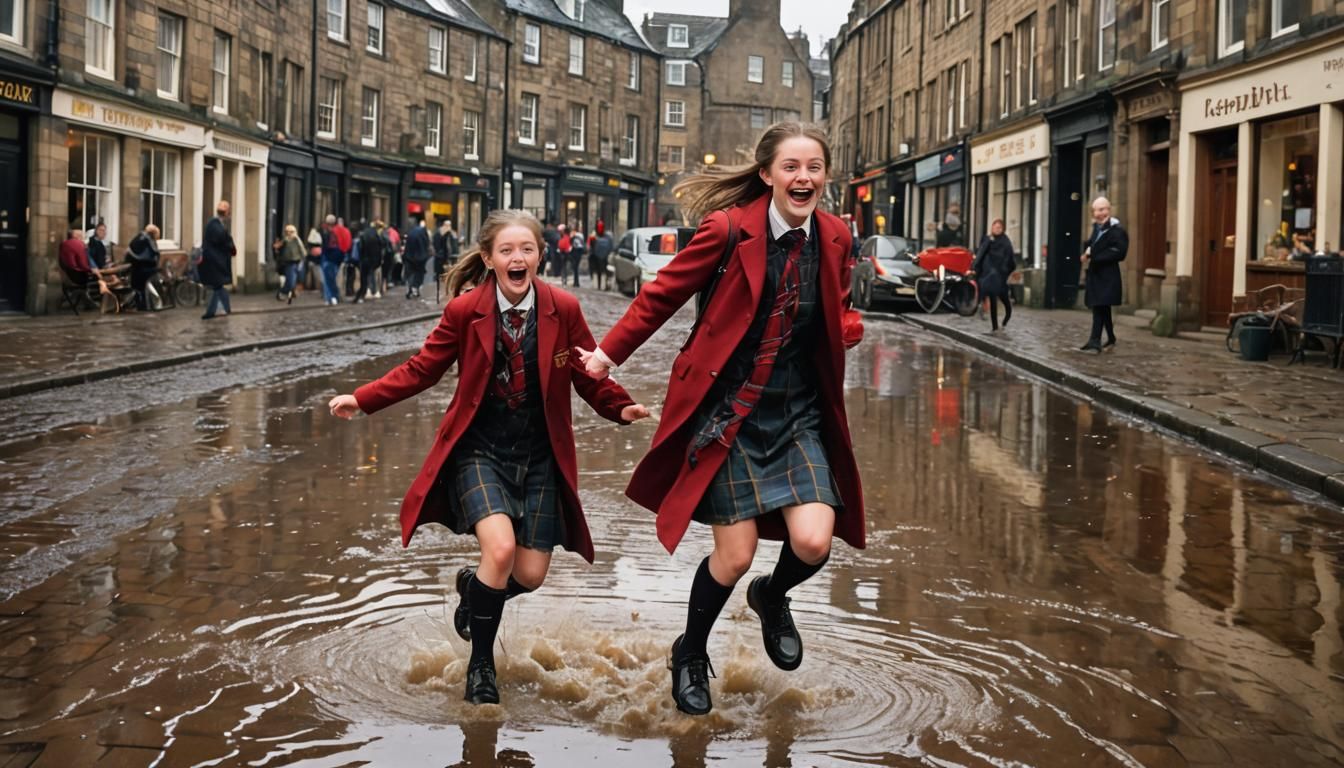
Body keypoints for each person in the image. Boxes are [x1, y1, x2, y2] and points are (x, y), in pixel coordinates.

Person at [576, 121, 866, 716]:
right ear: (767, 174)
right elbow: (662, 294)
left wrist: (846, 324)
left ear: (826, 177)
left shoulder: (836, 236)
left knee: (814, 540)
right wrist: (607, 356)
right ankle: (690, 652)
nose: (803, 177)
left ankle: (772, 596)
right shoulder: (728, 229)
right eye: (791, 167)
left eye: (814, 167)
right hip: (730, 411)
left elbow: (835, 304)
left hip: (797, 412)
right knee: (733, 556)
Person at [327, 209, 650, 705]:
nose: (518, 258)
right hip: (480, 450)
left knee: (530, 574)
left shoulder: (563, 308)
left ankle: (474, 590)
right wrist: (363, 398)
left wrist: (620, 407)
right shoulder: (465, 311)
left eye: (527, 249)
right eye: (507, 250)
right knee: (499, 551)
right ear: (489, 258)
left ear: (540, 255)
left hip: (540, 455)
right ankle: (481, 666)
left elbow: (588, 372)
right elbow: (422, 369)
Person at [1080, 196, 1128, 352]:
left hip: (1108, 276)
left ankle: (1095, 340)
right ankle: (1111, 338)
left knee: (1099, 306)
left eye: (1102, 210)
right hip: (1096, 274)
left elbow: (1119, 252)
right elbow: (1091, 245)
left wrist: (1094, 256)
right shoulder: (1097, 229)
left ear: (1109, 210)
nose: (1099, 214)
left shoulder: (1117, 230)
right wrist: (1086, 252)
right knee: (1102, 307)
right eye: (1095, 211)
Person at [972, 219, 1015, 332]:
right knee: (992, 296)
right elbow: (981, 253)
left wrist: (1005, 272)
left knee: (1004, 299)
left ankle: (1006, 317)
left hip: (1000, 275)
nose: (996, 229)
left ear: (1003, 229)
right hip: (988, 274)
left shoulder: (1005, 242)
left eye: (999, 227)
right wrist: (974, 267)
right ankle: (994, 325)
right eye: (995, 227)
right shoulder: (988, 239)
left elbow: (1010, 259)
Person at [200, 200, 236, 319]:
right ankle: (216, 310)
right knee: (217, 286)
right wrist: (231, 246)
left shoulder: (217, 224)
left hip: (216, 261)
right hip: (215, 262)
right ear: (226, 213)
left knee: (218, 286)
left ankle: (222, 309)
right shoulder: (215, 225)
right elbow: (224, 240)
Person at [126, 224, 162, 311]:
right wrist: (157, 262)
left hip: (135, 266)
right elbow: (154, 252)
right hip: (144, 267)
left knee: (138, 287)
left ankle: (140, 305)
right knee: (148, 284)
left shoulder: (139, 237)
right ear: (153, 233)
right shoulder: (148, 239)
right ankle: (149, 305)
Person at [355, 221, 386, 303]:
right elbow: (381, 246)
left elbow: (361, 248)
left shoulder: (364, 235)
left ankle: (366, 291)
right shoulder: (376, 235)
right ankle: (373, 290)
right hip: (374, 259)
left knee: (364, 277)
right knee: (372, 275)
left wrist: (360, 258)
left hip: (365, 259)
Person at [402, 219, 432, 299]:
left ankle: (410, 287)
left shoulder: (411, 233)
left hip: (410, 257)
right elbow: (426, 244)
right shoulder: (422, 233)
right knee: (419, 273)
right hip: (420, 258)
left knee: (410, 273)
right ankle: (415, 288)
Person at [277, 224, 305, 303]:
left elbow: (303, 251)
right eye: (287, 232)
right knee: (290, 281)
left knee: (295, 280)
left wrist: (302, 260)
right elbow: (278, 248)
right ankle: (282, 292)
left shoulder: (297, 240)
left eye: (291, 232)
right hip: (289, 263)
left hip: (297, 262)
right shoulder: (285, 240)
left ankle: (289, 293)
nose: (289, 234)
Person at [319, 214, 343, 306]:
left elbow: (325, 247)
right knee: (332, 279)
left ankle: (331, 297)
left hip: (328, 258)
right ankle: (332, 297)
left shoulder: (327, 233)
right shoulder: (337, 232)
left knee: (328, 280)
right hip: (336, 258)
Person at [333, 216, 354, 297]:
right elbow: (349, 243)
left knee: (335, 273)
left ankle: (335, 291)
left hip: (334, 254)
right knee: (343, 273)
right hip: (344, 254)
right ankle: (342, 290)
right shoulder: (346, 231)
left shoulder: (333, 230)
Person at [589, 221, 614, 291]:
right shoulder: (594, 236)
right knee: (598, 272)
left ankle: (603, 285)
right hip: (597, 257)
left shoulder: (607, 237)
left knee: (604, 272)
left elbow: (610, 247)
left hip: (604, 258)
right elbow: (591, 246)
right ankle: (599, 285)